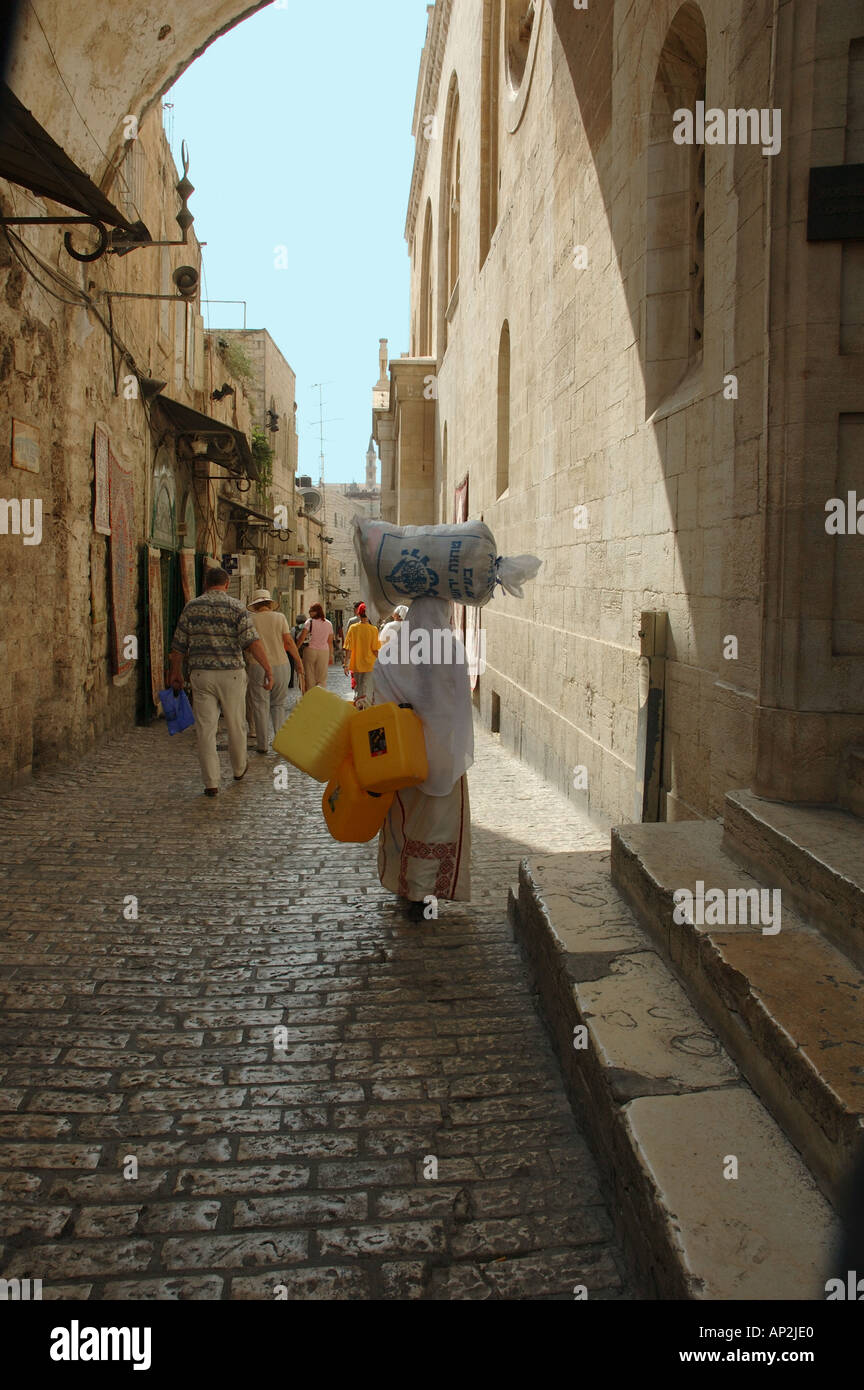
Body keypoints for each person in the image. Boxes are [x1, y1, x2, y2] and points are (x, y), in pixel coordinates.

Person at [374, 597, 472, 921]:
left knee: (405, 822)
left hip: (404, 757)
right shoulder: (453, 652)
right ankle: (428, 892)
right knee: (437, 826)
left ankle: (409, 887)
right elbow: (460, 704)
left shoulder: (391, 652)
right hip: (443, 754)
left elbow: (380, 705)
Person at [169, 567, 273, 798]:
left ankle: (211, 782)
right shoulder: (236, 607)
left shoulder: (191, 607)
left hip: (201, 674)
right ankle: (238, 769)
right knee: (236, 724)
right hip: (231, 674)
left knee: (206, 729)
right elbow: (251, 643)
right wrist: (267, 668)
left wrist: (175, 672)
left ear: (205, 584)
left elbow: (178, 646)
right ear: (226, 584)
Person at [246, 589, 306, 753]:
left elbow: (247, 645)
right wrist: (299, 662)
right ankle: (279, 742)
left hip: (258, 666)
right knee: (278, 704)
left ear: (256, 605)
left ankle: (262, 744)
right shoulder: (280, 618)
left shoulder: (250, 619)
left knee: (260, 704)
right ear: (268, 603)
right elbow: (288, 642)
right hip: (282, 665)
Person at [342, 603, 381, 705]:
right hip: (370, 665)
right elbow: (375, 650)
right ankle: (365, 711)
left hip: (357, 665)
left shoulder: (353, 628)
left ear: (358, 613)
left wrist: (346, 664)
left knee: (358, 689)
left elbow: (349, 649)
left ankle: (358, 710)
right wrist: (382, 661)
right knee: (367, 689)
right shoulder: (374, 630)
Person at [302, 603, 335, 690]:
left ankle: (311, 697)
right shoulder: (329, 623)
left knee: (309, 675)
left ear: (316, 612)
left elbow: (302, 637)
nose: (309, 613)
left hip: (310, 650)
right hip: (324, 652)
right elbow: (330, 641)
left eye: (311, 611)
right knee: (322, 677)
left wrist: (297, 647)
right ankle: (320, 697)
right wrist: (331, 655)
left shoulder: (309, 622)